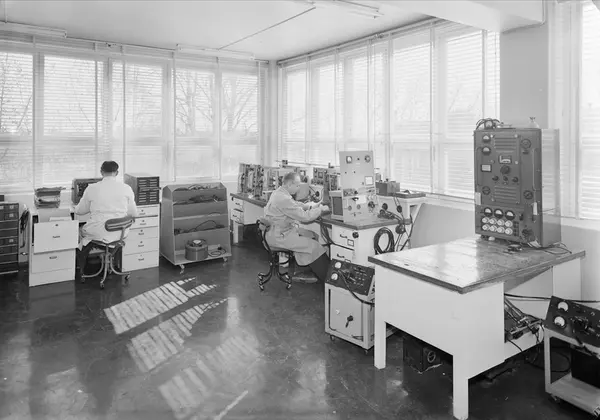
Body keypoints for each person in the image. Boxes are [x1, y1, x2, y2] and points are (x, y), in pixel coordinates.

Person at [74, 161, 138, 279]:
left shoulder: (92, 188)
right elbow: (134, 213)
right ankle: (110, 261)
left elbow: (79, 211)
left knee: (78, 231)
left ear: (101, 172)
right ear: (117, 172)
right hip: (120, 232)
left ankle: (81, 269)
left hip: (98, 232)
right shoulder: (126, 188)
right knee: (105, 235)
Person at [264, 172, 331, 283]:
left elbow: (295, 205)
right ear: (290, 184)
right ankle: (329, 281)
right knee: (315, 247)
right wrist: (320, 210)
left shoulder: (278, 193)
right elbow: (304, 217)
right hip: (279, 237)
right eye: (297, 185)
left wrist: (312, 206)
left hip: (275, 232)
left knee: (312, 235)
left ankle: (304, 272)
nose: (299, 188)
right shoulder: (283, 199)